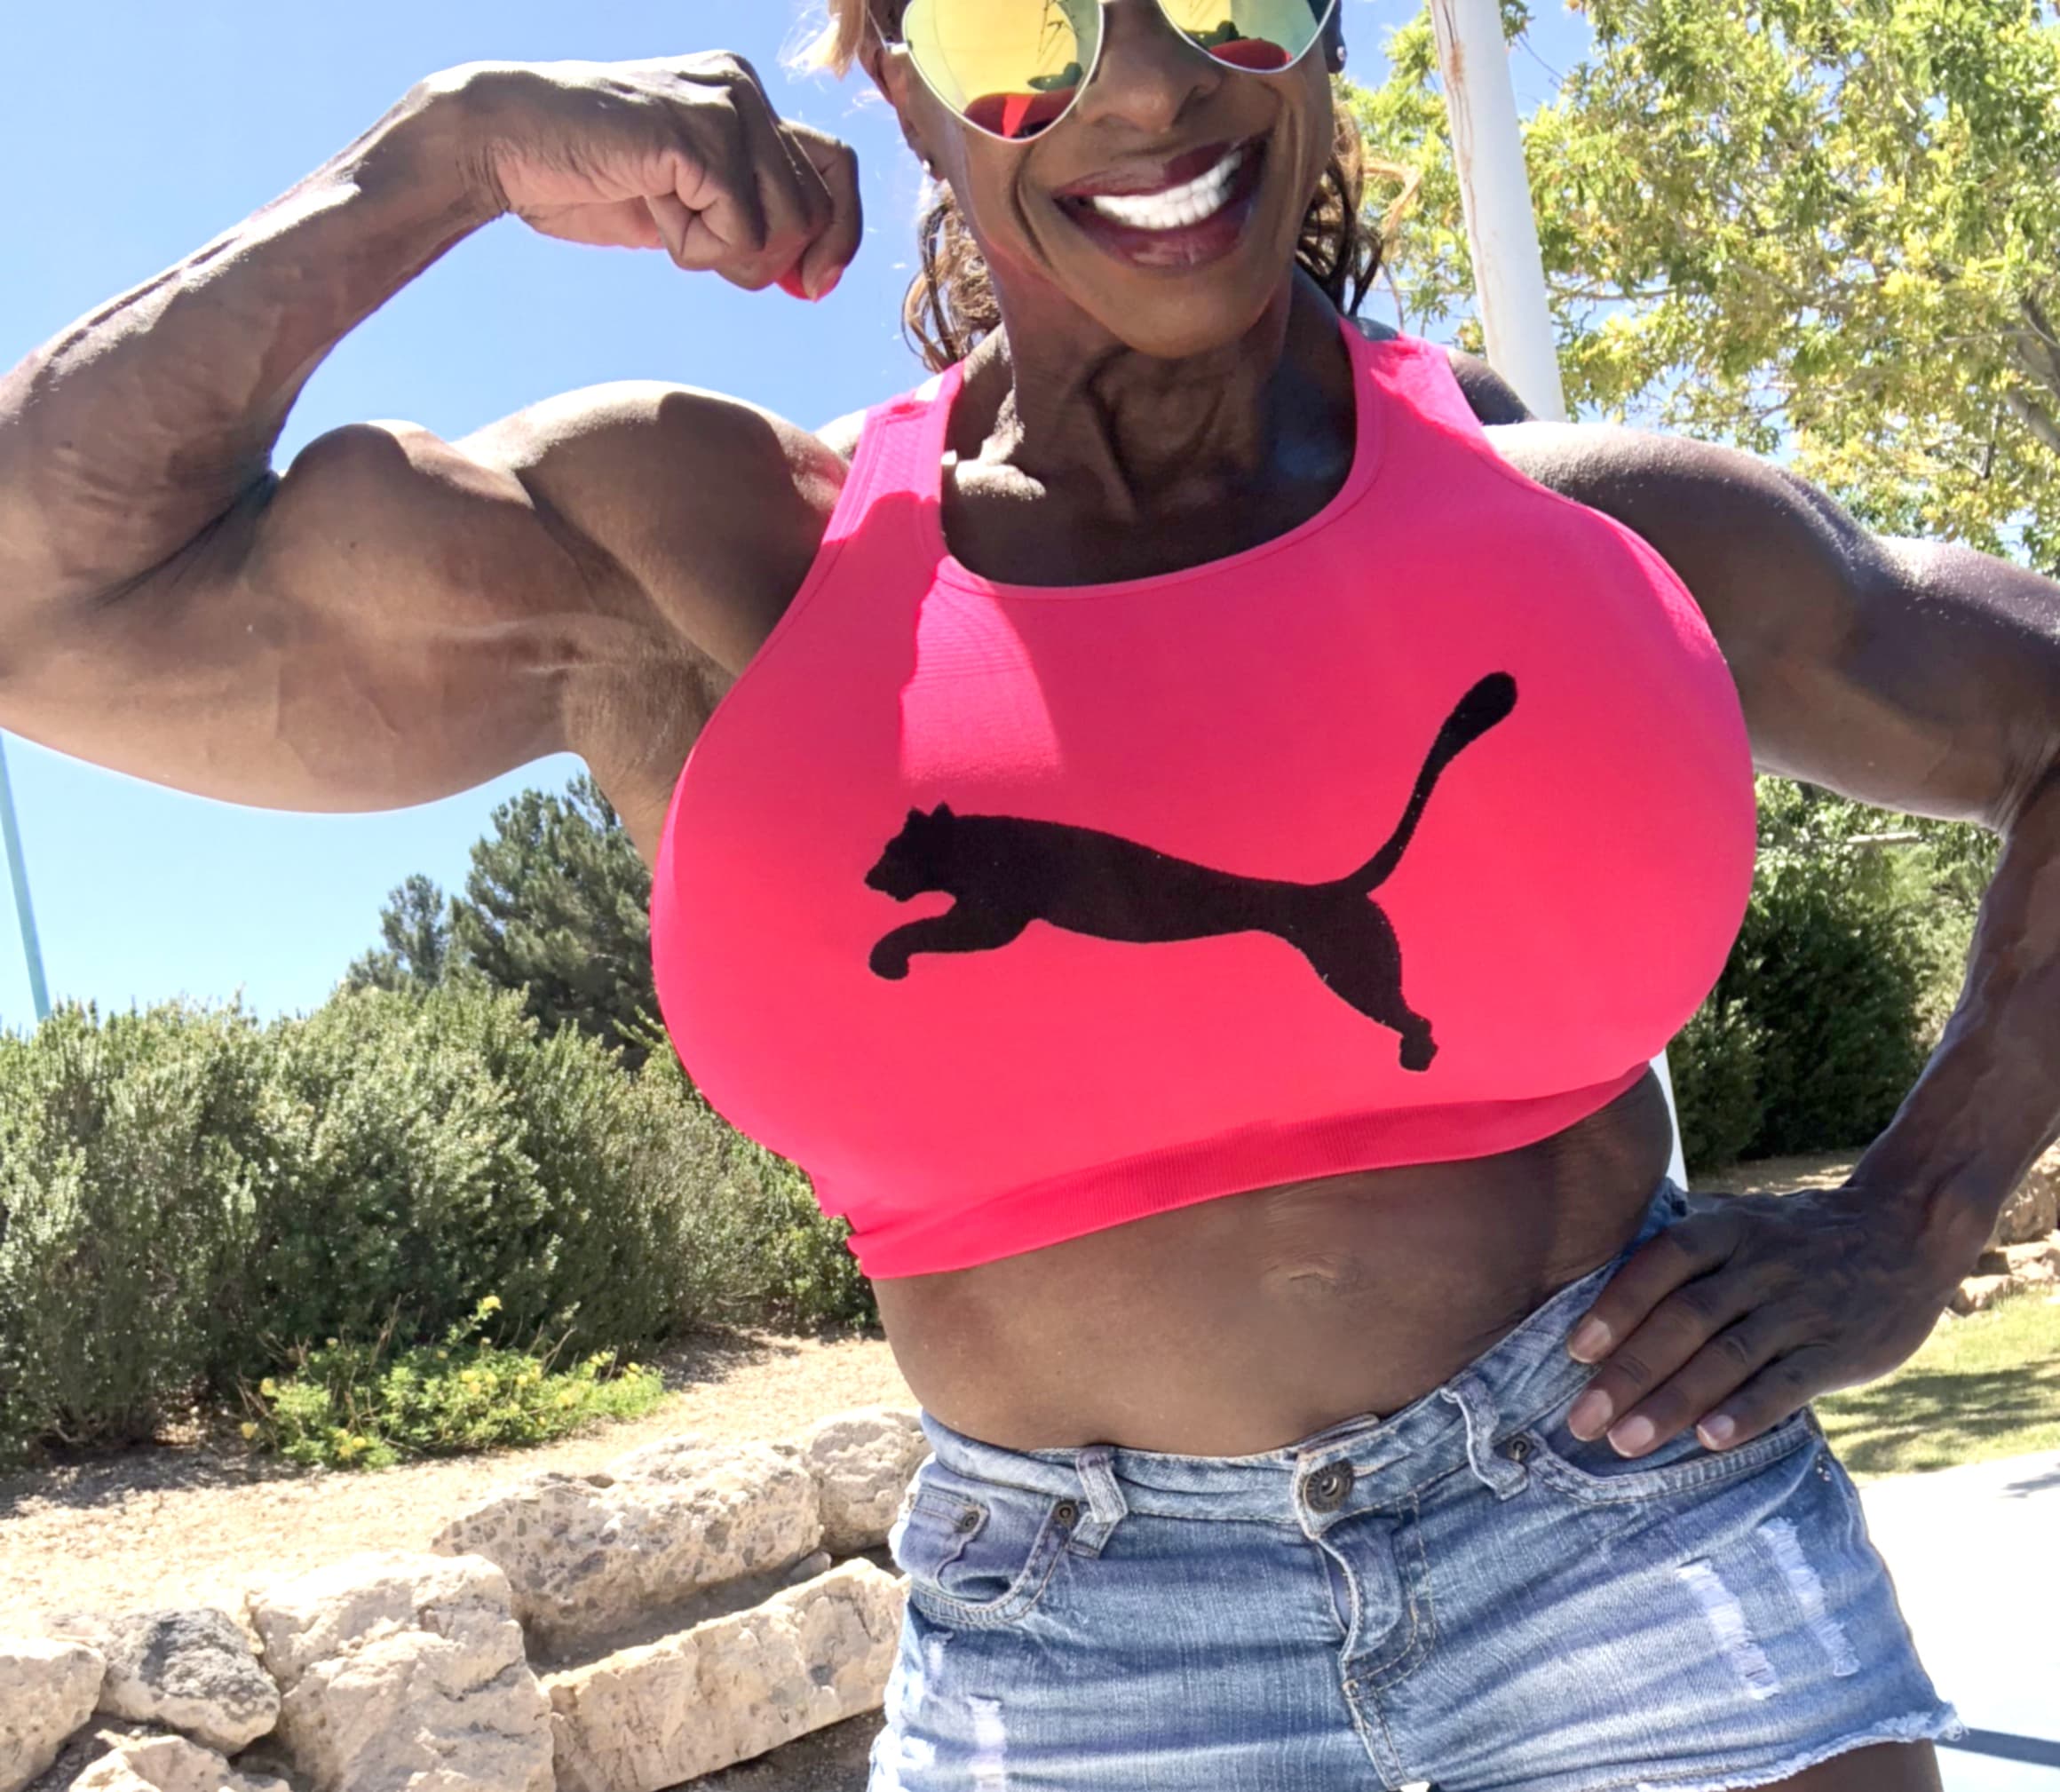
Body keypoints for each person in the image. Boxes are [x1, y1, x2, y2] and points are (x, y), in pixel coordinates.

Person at [4, 3, 2055, 1786]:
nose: (1146, 86)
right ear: (899, 82)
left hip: (1621, 1515)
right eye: (1015, 21)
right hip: (1076, 1641)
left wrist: (1917, 1213)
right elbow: (41, 602)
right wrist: (440, 153)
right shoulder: (717, 566)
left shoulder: (1592, 534)